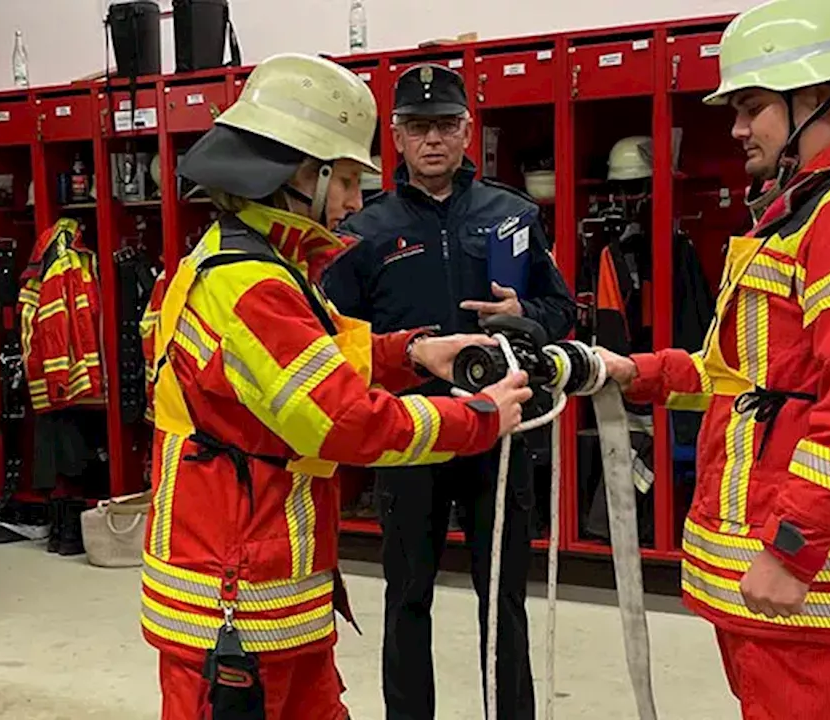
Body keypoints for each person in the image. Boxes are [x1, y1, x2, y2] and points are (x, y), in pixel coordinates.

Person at [140, 52, 535, 720]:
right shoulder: (250, 284)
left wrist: (414, 351)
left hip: (260, 587)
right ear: (302, 172)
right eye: (349, 179)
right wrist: (478, 418)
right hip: (236, 602)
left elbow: (324, 355)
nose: (356, 201)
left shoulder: (252, 260)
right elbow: (344, 421)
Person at [594, 1, 830, 717]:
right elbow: (738, 375)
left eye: (751, 106)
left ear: (816, 97)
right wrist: (639, 373)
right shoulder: (801, 211)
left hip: (802, 568)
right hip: (762, 552)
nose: (736, 128)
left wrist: (792, 547)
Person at [324, 63, 575, 720]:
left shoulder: (511, 213)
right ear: (398, 140)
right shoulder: (362, 233)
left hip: (502, 430)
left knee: (504, 600)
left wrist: (527, 313)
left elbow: (561, 308)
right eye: (416, 128)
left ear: (467, 130)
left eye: (444, 126)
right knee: (407, 596)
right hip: (413, 434)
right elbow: (335, 338)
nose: (431, 140)